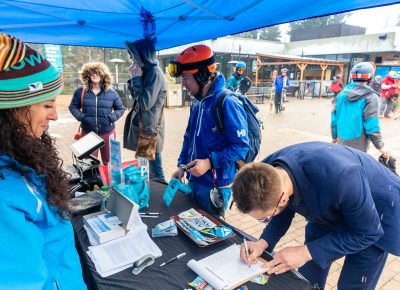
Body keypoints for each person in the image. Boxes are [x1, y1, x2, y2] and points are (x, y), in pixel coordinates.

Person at [232, 141, 400, 290]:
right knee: (309, 273)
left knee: (352, 284)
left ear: (282, 198)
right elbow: (281, 209)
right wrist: (263, 243)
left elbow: (368, 232)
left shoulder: (344, 176)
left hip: (376, 213)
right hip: (328, 201)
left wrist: (305, 252)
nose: (266, 220)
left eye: (264, 218)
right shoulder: (266, 171)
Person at [0, 33, 86, 289]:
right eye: (47, 105)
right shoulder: (5, 194)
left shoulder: (18, 155)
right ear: (14, 108)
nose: (55, 116)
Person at [168, 45, 249, 215]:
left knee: (211, 234)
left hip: (215, 187)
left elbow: (241, 147)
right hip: (193, 181)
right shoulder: (198, 102)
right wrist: (181, 166)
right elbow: (189, 137)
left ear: (202, 75)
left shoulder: (228, 103)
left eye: (186, 78)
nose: (183, 85)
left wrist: (210, 162)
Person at [123, 39, 167, 181]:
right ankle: (152, 195)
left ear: (143, 54)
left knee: (156, 173)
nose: (131, 58)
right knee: (148, 169)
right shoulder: (147, 71)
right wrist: (134, 78)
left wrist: (136, 78)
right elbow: (137, 97)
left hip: (150, 131)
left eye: (132, 54)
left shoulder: (154, 73)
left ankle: (161, 198)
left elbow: (144, 104)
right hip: (146, 129)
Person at [69, 62, 125, 165]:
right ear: (87, 75)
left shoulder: (111, 92)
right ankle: (93, 181)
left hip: (107, 133)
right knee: (89, 163)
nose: (95, 75)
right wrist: (81, 116)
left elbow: (120, 109)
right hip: (88, 133)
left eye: (98, 73)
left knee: (110, 163)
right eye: (92, 73)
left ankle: (109, 181)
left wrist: (112, 117)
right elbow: (73, 107)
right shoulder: (80, 91)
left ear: (103, 75)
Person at [331, 62, 389, 157]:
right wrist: (380, 147)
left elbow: (334, 119)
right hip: (358, 144)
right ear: (370, 77)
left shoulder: (341, 95)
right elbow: (372, 125)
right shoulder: (371, 97)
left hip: (341, 139)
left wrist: (334, 137)